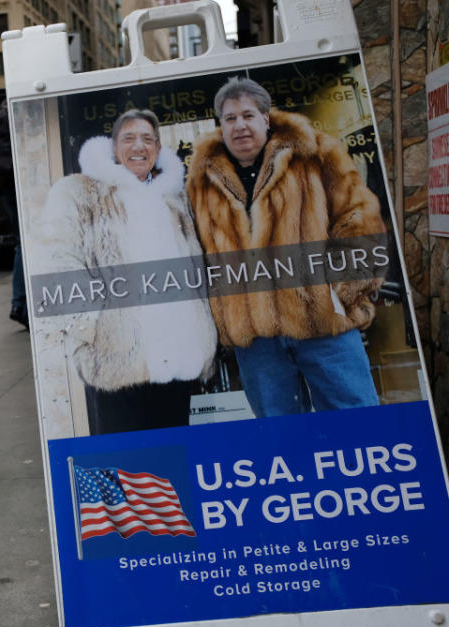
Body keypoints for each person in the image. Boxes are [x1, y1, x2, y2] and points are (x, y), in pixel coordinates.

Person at [186, 77, 385, 418]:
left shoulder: (315, 153)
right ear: (221, 126)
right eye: (230, 119)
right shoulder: (202, 180)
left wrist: (338, 295)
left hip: (325, 327)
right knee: (280, 437)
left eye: (248, 115)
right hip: (257, 340)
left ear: (266, 117)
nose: (240, 126)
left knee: (357, 422)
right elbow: (200, 255)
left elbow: (359, 222)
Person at [42, 110, 217, 434]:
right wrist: (87, 334)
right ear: (113, 148)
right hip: (118, 359)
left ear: (158, 148)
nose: (140, 146)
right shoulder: (79, 193)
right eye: (129, 138)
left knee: (174, 456)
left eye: (148, 139)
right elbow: (61, 264)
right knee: (128, 465)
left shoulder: (174, 198)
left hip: (178, 354)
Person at [0, 99, 28, 329]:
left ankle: (20, 304)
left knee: (22, 241)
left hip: (4, 182)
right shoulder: (17, 106)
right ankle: (20, 305)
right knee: (26, 242)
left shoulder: (2, 110)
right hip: (15, 182)